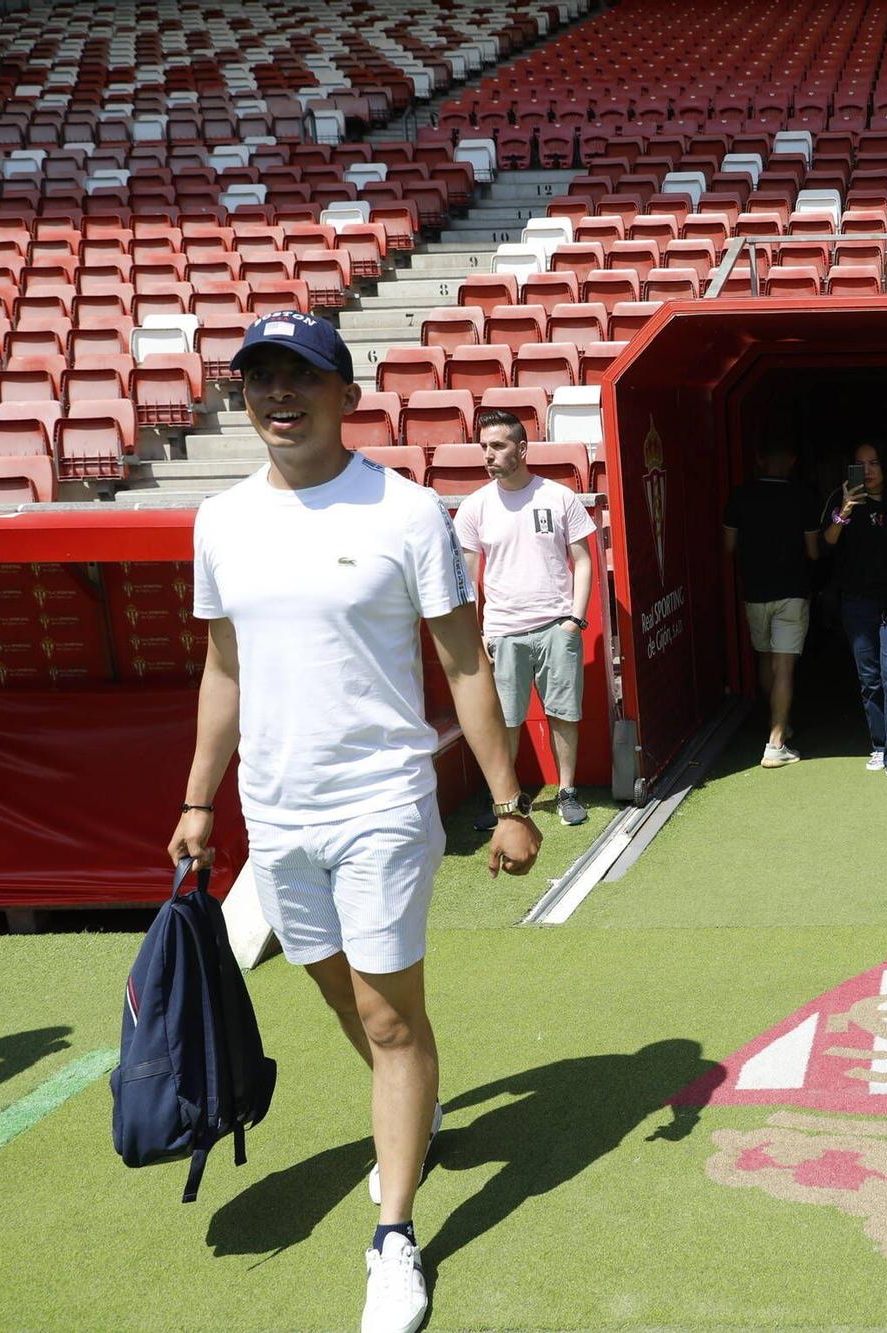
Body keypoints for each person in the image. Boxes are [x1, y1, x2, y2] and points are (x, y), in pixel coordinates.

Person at [166, 312, 541, 1333]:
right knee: (352, 1004)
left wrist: (510, 804)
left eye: (301, 376)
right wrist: (201, 797)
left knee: (383, 1013)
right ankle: (411, 1098)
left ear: (345, 393)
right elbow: (224, 667)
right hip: (273, 811)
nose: (278, 395)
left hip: (380, 801)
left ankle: (394, 1235)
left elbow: (464, 664)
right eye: (259, 379)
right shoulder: (222, 522)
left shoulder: (409, 513)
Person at [455, 408, 598, 830]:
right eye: (484, 447)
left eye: (497, 446)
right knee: (506, 720)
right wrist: (477, 634)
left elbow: (583, 560)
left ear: (521, 448)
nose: (488, 455)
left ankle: (567, 792)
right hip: (502, 631)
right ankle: (507, 801)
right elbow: (466, 577)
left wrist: (575, 618)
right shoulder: (475, 506)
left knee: (564, 713)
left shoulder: (558, 497)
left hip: (556, 625)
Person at [821, 440, 887, 785]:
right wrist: (844, 510)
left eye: (875, 462)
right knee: (870, 679)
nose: (869, 470)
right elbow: (826, 543)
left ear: (886, 466)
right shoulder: (843, 501)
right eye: (861, 464)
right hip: (858, 602)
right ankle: (879, 745)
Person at [722, 438, 821, 768]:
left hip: (755, 590)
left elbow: (728, 545)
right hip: (792, 589)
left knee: (766, 660)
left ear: (760, 458)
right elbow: (813, 552)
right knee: (785, 667)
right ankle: (776, 741)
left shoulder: (739, 495)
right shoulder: (803, 496)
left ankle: (778, 725)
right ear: (792, 459)